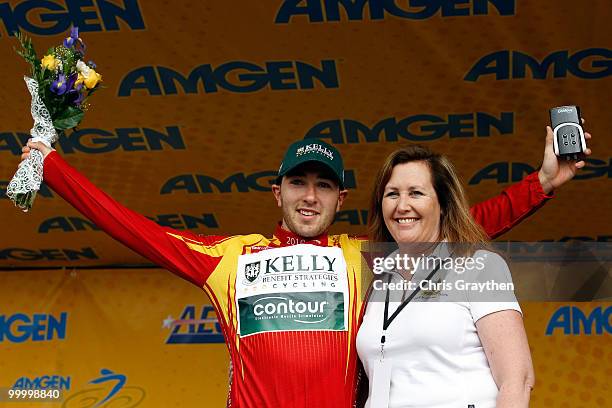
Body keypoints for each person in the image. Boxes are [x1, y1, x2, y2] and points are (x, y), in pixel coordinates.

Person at [20, 124, 590, 407]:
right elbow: (130, 226)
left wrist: (539, 185)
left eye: (324, 186)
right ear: (277, 193)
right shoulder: (229, 258)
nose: (310, 197)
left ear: (342, 201)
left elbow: (448, 225)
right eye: (299, 183)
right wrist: (52, 167)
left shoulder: (361, 259)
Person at [356, 146, 537, 408]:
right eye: (392, 194)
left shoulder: (480, 266)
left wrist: (543, 181)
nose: (402, 205)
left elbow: (516, 379)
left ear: (443, 204)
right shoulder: (378, 279)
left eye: (416, 193)